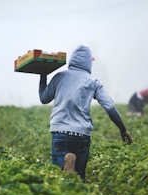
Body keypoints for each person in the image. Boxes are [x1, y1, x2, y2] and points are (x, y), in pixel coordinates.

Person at [39, 45, 132, 182]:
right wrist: (123, 129)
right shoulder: (93, 82)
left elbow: (44, 98)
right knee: (79, 178)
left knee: (59, 178)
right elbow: (110, 107)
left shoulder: (60, 77)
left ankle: (67, 163)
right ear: (89, 62)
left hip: (60, 131)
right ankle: (74, 176)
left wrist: (43, 75)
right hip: (82, 133)